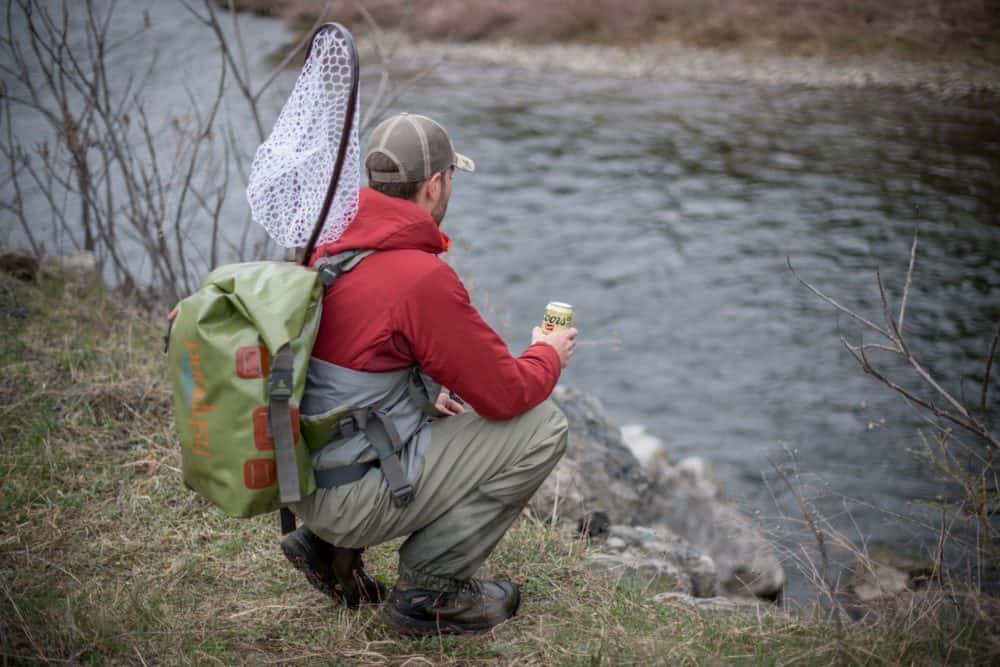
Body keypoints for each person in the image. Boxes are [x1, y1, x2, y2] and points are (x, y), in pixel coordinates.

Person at [283, 112, 578, 635]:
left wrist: (417, 396)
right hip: (352, 494)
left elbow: (345, 371)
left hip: (305, 478)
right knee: (544, 425)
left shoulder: (326, 246)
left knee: (441, 404)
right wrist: (548, 353)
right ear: (436, 183)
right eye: (451, 179)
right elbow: (507, 394)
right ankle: (430, 593)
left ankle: (327, 549)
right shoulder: (419, 279)